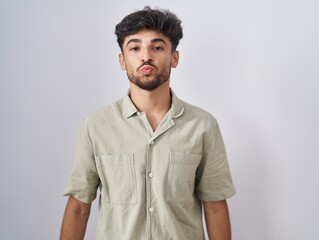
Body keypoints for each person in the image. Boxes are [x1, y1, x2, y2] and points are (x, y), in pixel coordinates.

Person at [60, 6, 235, 240]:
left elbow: (214, 206)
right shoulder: (95, 126)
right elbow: (79, 207)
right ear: (122, 60)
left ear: (175, 57)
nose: (145, 56)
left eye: (157, 47)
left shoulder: (203, 126)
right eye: (134, 48)